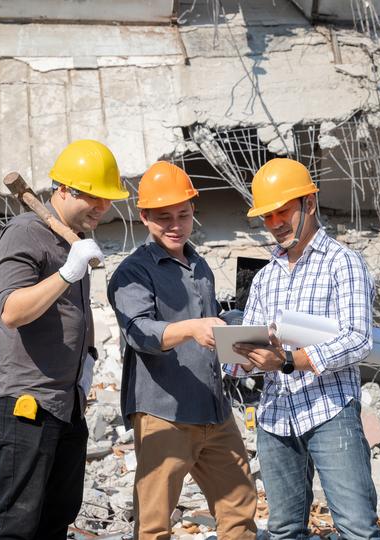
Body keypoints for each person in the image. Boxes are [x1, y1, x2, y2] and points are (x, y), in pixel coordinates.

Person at [231, 158, 380, 540]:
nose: (274, 224)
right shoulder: (264, 276)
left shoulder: (343, 264)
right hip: (275, 417)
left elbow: (357, 338)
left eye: (282, 211)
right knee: (285, 530)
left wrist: (287, 359)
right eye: (267, 216)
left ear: (310, 203)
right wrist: (237, 358)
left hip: (329, 410)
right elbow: (249, 358)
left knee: (357, 529)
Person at [0, 140, 129, 539]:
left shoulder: (74, 241)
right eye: (92, 197)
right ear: (62, 189)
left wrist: (87, 364)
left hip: (66, 406)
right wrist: (68, 271)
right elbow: (11, 312)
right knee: (15, 525)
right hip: (26, 405)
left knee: (56, 518)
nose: (101, 207)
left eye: (107, 199)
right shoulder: (25, 233)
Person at [107, 161, 258, 540]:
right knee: (155, 523)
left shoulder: (200, 266)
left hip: (214, 409)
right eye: (164, 217)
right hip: (163, 412)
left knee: (239, 507)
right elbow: (138, 331)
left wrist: (237, 325)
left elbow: (211, 325)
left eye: (184, 215)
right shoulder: (132, 272)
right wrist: (191, 328)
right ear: (144, 217)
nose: (176, 225)